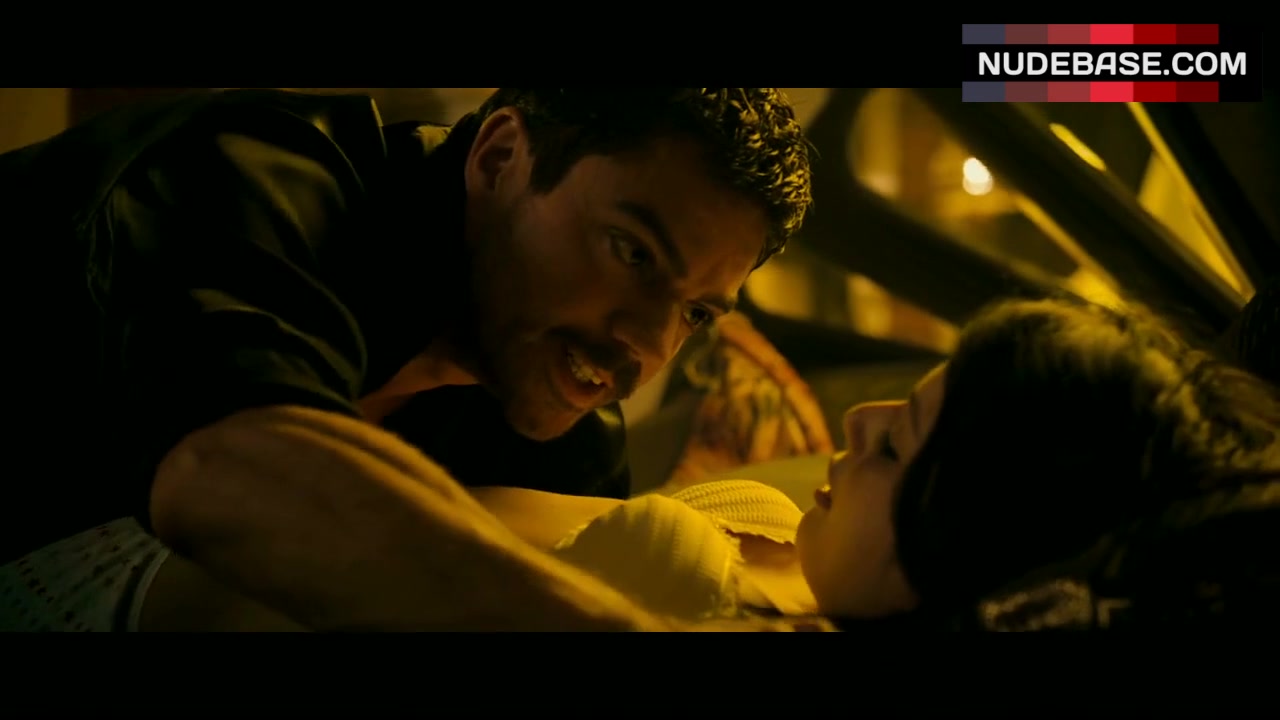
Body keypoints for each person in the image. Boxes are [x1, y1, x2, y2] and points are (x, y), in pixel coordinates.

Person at [0, 88, 815, 632]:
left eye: (695, 313)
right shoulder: (257, 176)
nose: (650, 342)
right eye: (631, 252)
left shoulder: (562, 435)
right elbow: (227, 470)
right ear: (499, 157)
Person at [11, 296, 1276, 630]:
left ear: (968, 548)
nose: (857, 423)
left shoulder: (683, 609)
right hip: (124, 537)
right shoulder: (791, 537)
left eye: (896, 445)